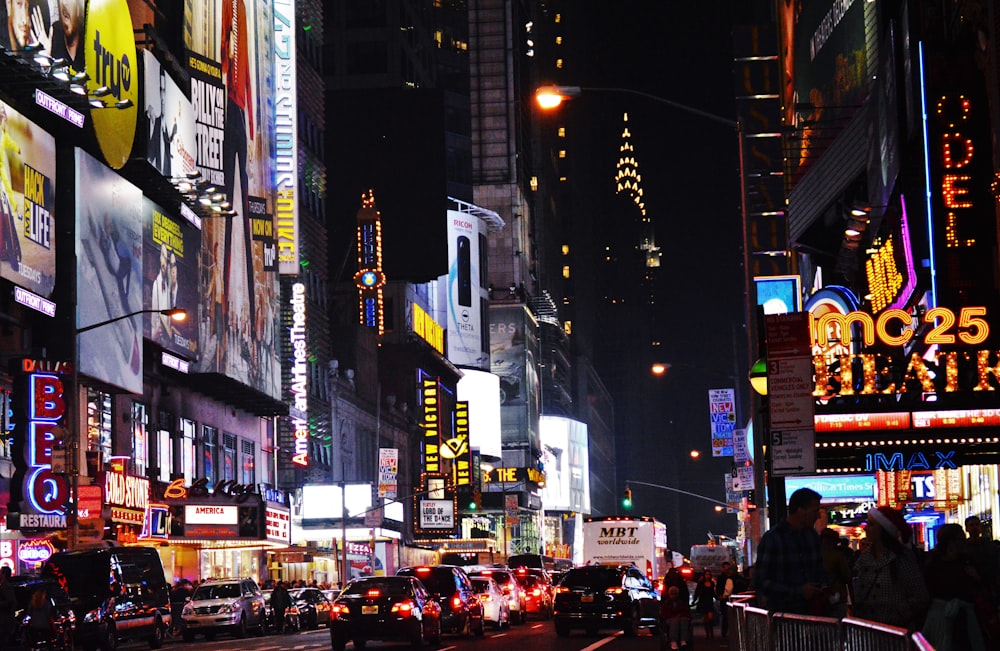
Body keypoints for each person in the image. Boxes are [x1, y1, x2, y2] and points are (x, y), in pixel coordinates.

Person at [753, 487, 828, 614]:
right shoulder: (773, 538)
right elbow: (761, 581)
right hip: (784, 615)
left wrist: (824, 588)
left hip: (813, 614)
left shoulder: (812, 536)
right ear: (800, 510)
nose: (819, 516)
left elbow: (820, 571)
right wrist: (798, 591)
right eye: (815, 511)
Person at [852, 506, 929, 629]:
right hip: (868, 628)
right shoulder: (864, 558)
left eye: (871, 524)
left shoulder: (901, 558)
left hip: (894, 629)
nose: (866, 528)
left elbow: (920, 596)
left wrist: (896, 616)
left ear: (884, 529)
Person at [923, 523, 990, 649]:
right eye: (961, 539)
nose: (964, 542)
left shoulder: (966, 561)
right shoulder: (934, 564)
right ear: (951, 542)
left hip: (962, 619)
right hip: (944, 618)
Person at [820, 527, 852, 618]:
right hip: (838, 597)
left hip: (820, 598)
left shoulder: (816, 555)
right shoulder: (838, 556)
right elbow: (847, 577)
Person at [660, 585, 692, 649]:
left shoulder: (681, 602)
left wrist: (680, 616)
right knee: (674, 621)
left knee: (684, 620)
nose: (673, 595)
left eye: (675, 594)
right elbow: (664, 614)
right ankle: (673, 641)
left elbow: (686, 612)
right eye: (672, 594)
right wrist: (674, 616)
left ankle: (683, 640)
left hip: (681, 617)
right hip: (670, 619)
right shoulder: (666, 603)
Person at [693, 569, 717, 639]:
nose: (707, 576)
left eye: (709, 574)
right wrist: (694, 600)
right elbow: (697, 592)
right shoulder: (700, 583)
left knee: (710, 617)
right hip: (703, 602)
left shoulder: (712, 583)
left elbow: (713, 593)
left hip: (709, 601)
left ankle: (711, 633)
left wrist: (717, 597)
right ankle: (708, 634)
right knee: (706, 618)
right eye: (706, 574)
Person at [0, 567, 17, 650]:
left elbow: (10, 601)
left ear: (3, 574)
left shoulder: (6, 586)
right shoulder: (4, 584)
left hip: (5, 618)